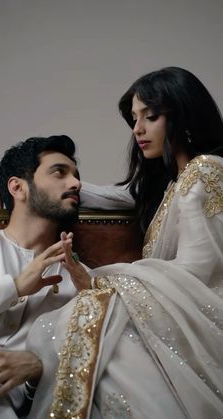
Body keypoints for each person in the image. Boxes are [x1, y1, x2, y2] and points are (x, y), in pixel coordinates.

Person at [25, 67, 223, 419]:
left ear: (184, 113)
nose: (138, 129)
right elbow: (110, 196)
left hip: (201, 312)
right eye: (134, 118)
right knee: (104, 347)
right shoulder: (170, 184)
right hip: (173, 306)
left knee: (100, 345)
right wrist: (27, 178)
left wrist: (108, 283)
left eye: (152, 116)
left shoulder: (205, 171)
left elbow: (200, 267)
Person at [0, 135, 86, 418]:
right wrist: (15, 287)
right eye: (60, 172)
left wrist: (39, 364)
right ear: (18, 187)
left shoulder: (81, 278)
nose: (76, 183)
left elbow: (92, 353)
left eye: (76, 176)